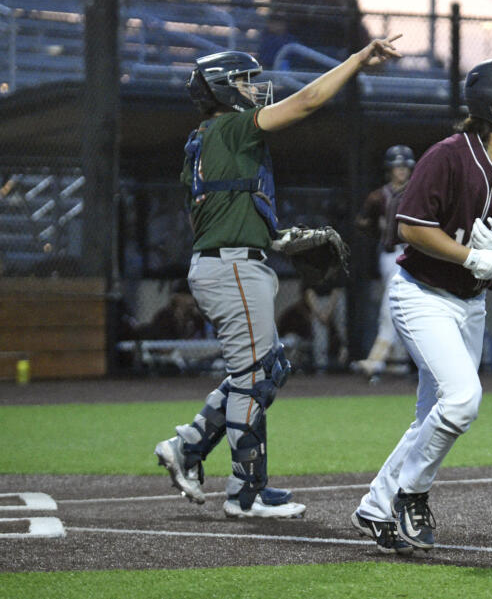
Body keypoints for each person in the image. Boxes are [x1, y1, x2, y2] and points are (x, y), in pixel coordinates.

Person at [153, 34, 402, 519]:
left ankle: (190, 447)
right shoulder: (230, 129)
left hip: (229, 260)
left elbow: (209, 216)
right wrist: (355, 60)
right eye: (245, 81)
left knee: (268, 370)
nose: (254, 89)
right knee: (253, 377)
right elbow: (307, 100)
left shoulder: (202, 141)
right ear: (223, 88)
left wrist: (272, 237)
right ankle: (241, 494)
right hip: (232, 266)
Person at [351, 56, 492, 554]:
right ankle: (412, 495)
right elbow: (412, 228)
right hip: (422, 294)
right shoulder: (447, 155)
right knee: (463, 399)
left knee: (432, 417)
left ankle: (376, 507)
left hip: (470, 305)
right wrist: (472, 257)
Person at [351, 145, 415, 382]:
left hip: (415, 256)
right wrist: (375, 227)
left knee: (396, 310)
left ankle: (376, 362)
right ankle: (381, 362)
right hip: (391, 256)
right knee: (393, 309)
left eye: (405, 166)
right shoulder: (378, 196)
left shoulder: (418, 192)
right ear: (390, 169)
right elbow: (362, 222)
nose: (401, 171)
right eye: (397, 166)